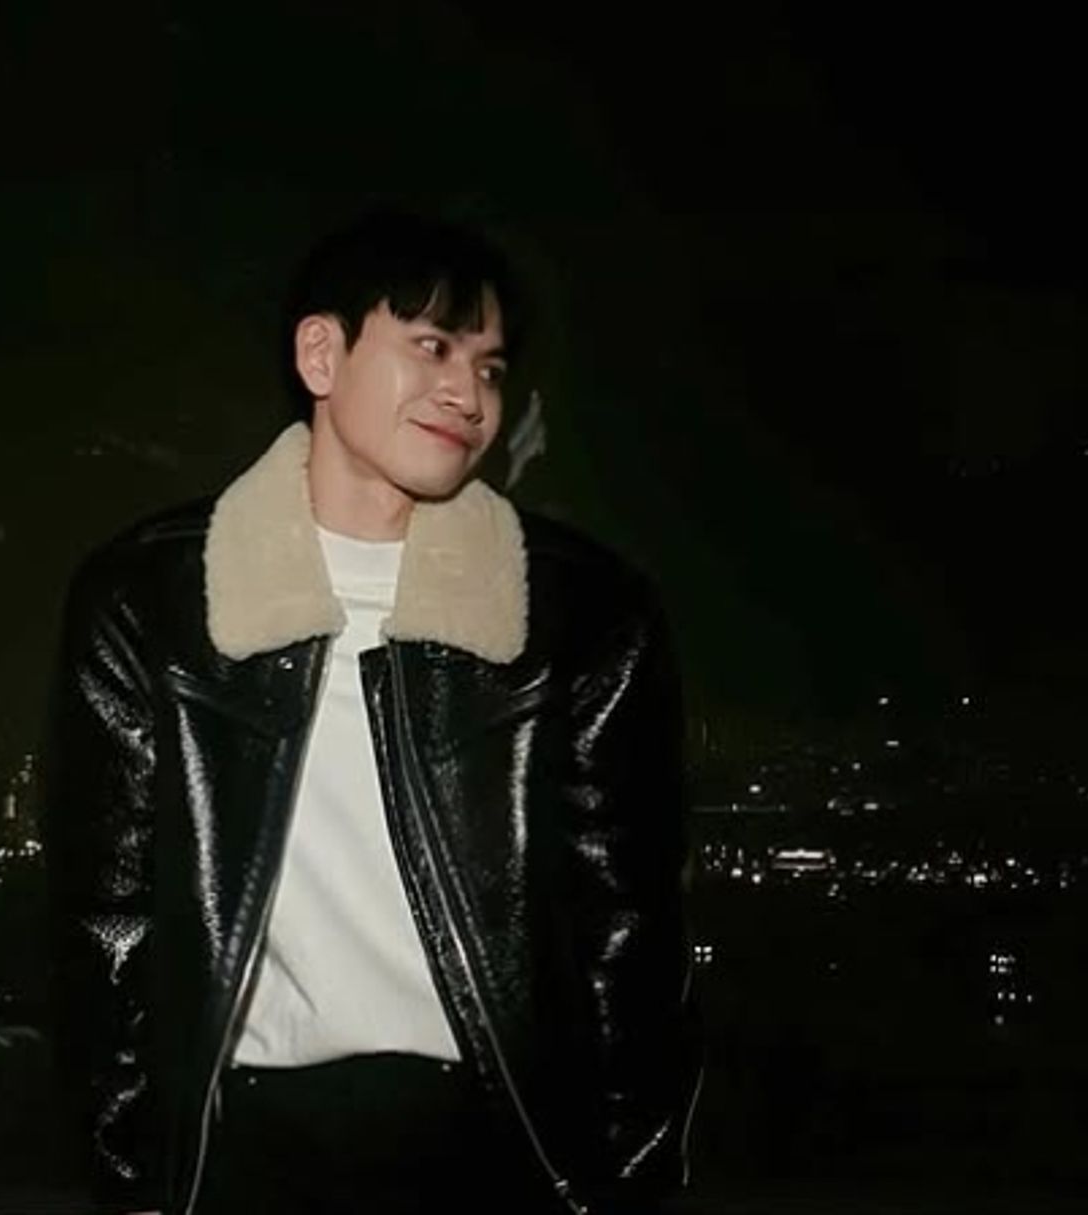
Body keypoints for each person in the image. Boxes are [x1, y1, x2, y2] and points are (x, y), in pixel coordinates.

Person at [38, 210, 700, 1215]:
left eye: (489, 366)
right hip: (241, 1144)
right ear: (322, 354)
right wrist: (134, 1175)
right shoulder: (152, 601)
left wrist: (624, 1183)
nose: (468, 393)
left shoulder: (579, 609)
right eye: (432, 346)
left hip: (502, 1145)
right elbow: (106, 919)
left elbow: (630, 929)